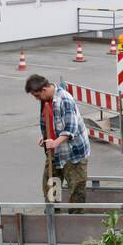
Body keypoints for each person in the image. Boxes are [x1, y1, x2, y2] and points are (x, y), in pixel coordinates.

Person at [25, 74, 90, 204]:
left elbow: (70, 129)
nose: (37, 100)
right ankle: (54, 218)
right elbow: (52, 122)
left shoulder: (65, 99)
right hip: (54, 153)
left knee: (76, 190)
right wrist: (45, 137)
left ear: (44, 89)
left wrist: (55, 142)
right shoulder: (45, 100)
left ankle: (75, 220)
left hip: (73, 154)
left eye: (37, 96)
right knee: (51, 188)